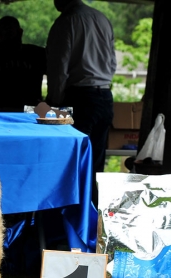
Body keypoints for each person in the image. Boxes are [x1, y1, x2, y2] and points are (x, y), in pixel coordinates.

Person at [46, 0, 116, 206]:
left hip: (80, 98)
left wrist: (54, 103)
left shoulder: (66, 21)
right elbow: (112, 62)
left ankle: (70, 222)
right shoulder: (102, 19)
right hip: (104, 96)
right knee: (95, 164)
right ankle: (92, 219)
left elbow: (58, 67)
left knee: (73, 163)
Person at [0, 16, 46, 109]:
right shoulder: (36, 53)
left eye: (8, 33)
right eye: (2, 33)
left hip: (1, 111)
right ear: (20, 33)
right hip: (30, 111)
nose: (5, 37)